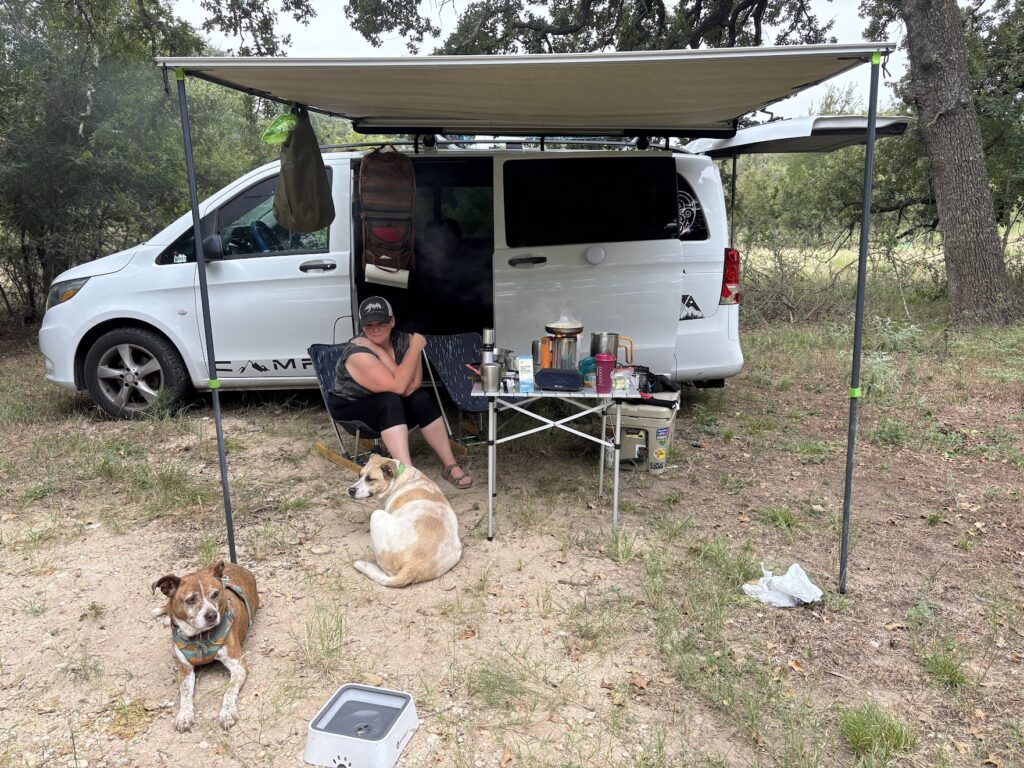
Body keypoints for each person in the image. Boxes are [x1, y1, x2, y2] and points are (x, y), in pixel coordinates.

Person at [331, 296, 472, 489]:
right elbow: (398, 387)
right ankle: (407, 475)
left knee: (421, 397)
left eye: (382, 322)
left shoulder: (403, 341)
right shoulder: (358, 351)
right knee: (389, 399)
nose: (376, 329)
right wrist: (414, 349)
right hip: (353, 408)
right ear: (362, 326)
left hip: (392, 403)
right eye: (369, 324)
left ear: (392, 321)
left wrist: (389, 353)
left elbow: (413, 384)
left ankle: (450, 464)